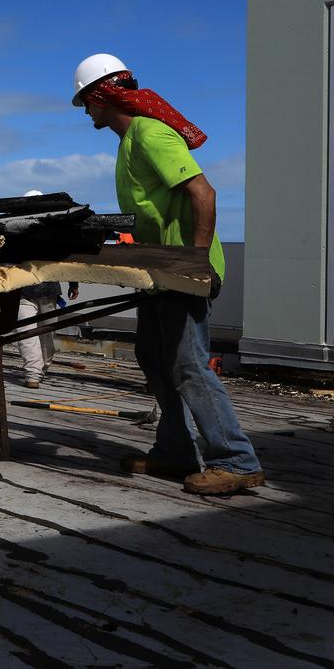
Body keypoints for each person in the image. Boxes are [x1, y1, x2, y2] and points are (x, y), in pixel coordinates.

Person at [72, 53, 264, 495]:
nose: (86, 111)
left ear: (103, 96)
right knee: (154, 358)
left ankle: (235, 459)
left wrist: (194, 262)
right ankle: (175, 453)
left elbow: (204, 194)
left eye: (86, 101)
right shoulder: (127, 144)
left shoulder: (150, 134)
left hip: (183, 271)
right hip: (160, 272)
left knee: (188, 364)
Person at [14, 192, 79, 387]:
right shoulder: (52, 231)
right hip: (28, 292)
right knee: (29, 332)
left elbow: (65, 259)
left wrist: (73, 283)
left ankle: (40, 369)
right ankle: (34, 373)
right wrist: (73, 284)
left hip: (42, 291)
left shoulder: (26, 229)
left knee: (43, 333)